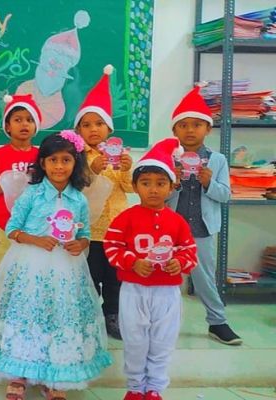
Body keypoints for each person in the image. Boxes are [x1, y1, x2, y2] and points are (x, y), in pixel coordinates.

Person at [0, 131, 111, 400]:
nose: (59, 166)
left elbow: (84, 233)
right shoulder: (31, 194)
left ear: (75, 163)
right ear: (43, 163)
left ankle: (55, 376)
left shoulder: (78, 199)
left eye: (66, 160)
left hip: (66, 269)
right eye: (53, 160)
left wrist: (81, 243)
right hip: (30, 266)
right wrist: (35, 239)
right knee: (30, 316)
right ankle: (19, 376)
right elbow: (12, 228)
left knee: (59, 317)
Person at [104, 138, 199, 400]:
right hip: (133, 290)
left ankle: (154, 388)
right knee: (135, 341)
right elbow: (111, 246)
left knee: (162, 341)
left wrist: (179, 262)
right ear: (135, 187)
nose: (153, 190)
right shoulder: (125, 218)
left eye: (160, 183)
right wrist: (132, 262)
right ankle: (135, 387)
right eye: (146, 183)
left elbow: (190, 251)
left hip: (167, 293)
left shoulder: (177, 221)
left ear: (172, 186)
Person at [167, 85, 242, 346]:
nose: (190, 130)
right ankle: (163, 322)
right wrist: (173, 183)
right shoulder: (168, 158)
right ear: (175, 130)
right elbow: (155, 194)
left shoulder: (217, 160)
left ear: (208, 129)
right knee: (165, 275)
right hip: (169, 229)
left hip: (201, 229)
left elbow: (225, 195)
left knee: (204, 279)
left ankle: (217, 321)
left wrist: (209, 183)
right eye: (183, 125)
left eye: (197, 125)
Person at [74, 65, 133, 340]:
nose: (93, 129)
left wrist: (129, 169)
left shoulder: (120, 154)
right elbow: (76, 189)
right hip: (90, 230)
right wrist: (92, 170)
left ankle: (112, 315)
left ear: (109, 128)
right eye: (86, 125)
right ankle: (89, 317)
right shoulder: (76, 156)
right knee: (90, 276)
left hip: (117, 230)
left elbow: (130, 187)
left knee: (115, 277)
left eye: (99, 124)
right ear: (78, 130)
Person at [0, 94, 41, 278]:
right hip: (2, 221)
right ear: (7, 126)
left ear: (36, 126)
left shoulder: (41, 156)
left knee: (28, 265)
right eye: (18, 120)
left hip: (31, 222)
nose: (24, 124)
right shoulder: (0, 155)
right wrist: (8, 186)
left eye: (29, 120)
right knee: (2, 265)